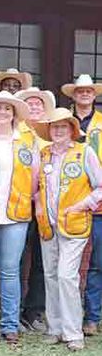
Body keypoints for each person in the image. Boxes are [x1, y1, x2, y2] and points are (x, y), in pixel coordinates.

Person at [32, 107, 102, 351]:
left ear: (72, 129)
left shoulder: (84, 152)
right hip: (48, 225)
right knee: (50, 276)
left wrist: (82, 205)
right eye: (54, 126)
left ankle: (74, 333)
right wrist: (39, 204)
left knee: (66, 276)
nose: (58, 130)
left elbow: (100, 187)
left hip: (74, 225)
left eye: (63, 126)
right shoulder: (43, 154)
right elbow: (35, 188)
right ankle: (55, 328)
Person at [0, 91, 37, 344]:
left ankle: (9, 324)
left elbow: (34, 177)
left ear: (14, 114)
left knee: (10, 271)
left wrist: (28, 199)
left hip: (15, 212)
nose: (2, 113)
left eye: (7, 109)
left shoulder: (26, 139)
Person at [61, 75, 102, 336]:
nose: (85, 94)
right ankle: (68, 317)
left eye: (89, 91)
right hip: (69, 201)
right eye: (80, 91)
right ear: (74, 95)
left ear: (94, 95)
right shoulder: (64, 122)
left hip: (98, 200)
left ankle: (92, 317)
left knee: (97, 263)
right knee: (65, 265)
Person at [15, 87, 56, 333]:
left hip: (46, 207)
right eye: (30, 103)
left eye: (39, 104)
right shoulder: (15, 134)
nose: (35, 107)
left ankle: (34, 310)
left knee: (42, 260)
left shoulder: (50, 136)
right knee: (15, 260)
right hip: (19, 204)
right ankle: (13, 310)